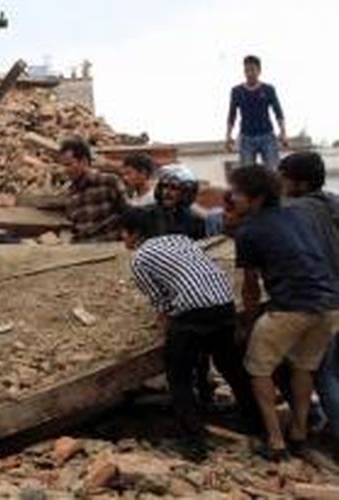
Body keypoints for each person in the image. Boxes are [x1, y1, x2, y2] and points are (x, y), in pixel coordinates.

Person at [120, 207, 258, 461]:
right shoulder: (183, 240)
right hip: (224, 305)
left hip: (193, 313)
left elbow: (162, 304)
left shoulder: (139, 258)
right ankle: (254, 421)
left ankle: (194, 442)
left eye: (124, 233)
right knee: (230, 366)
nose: (123, 239)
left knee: (178, 376)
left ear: (135, 233)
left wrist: (166, 336)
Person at [229, 165, 339, 461]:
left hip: (291, 307)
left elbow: (250, 288)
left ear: (256, 198)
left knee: (258, 368)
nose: (233, 198)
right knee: (304, 368)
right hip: (330, 305)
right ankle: (300, 434)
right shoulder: (297, 215)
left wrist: (248, 323)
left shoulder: (248, 230)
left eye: (238, 193)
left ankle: (276, 442)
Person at [278, 152, 339, 456]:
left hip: (320, 301)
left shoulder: (293, 211)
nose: (281, 184)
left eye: (284, 178)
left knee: (323, 373)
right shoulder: (331, 202)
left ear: (299, 183)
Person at [59, 136, 127, 242]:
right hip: (85, 254)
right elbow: (75, 229)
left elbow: (128, 214)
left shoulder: (109, 182)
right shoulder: (71, 193)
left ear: (84, 161)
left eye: (69, 164)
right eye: (63, 165)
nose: (65, 170)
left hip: (113, 251)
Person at [226, 55, 287, 169]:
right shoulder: (237, 91)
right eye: (246, 70)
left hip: (267, 135)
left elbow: (278, 112)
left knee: (273, 170)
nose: (249, 73)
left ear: (259, 71)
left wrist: (283, 132)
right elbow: (232, 115)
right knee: (247, 174)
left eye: (252, 70)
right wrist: (228, 136)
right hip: (246, 137)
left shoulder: (268, 89)